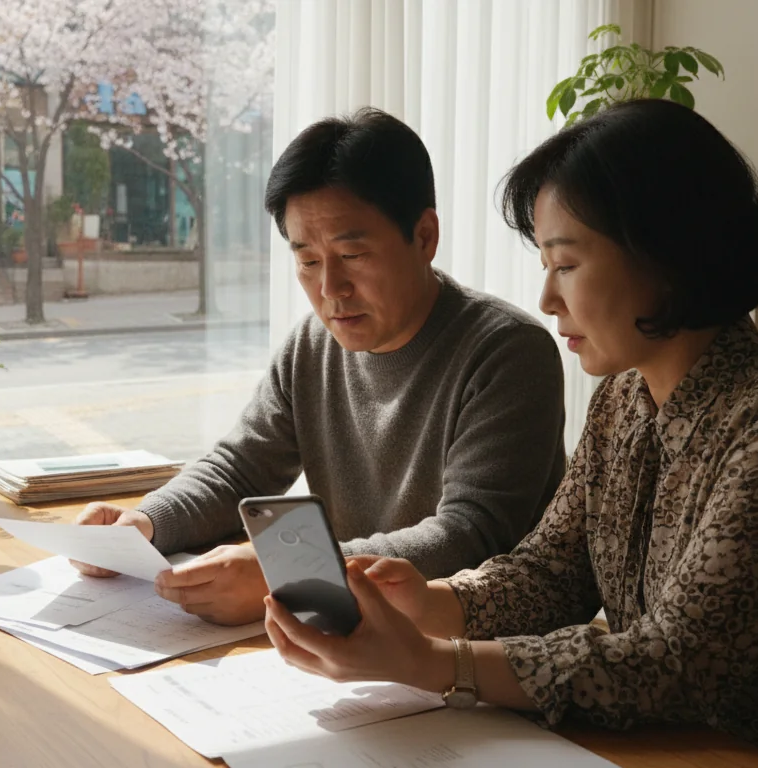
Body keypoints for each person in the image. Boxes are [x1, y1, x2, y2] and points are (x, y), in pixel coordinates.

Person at [260, 99, 758, 768]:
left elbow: (677, 663)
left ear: (665, 253)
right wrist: (432, 603)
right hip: (669, 748)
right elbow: (554, 573)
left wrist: (438, 662)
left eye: (568, 264)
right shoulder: (623, 399)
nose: (548, 299)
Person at [75, 108, 568, 626]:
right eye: (307, 261)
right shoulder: (313, 345)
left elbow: (469, 536)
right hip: (352, 637)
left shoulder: (507, 352)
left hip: (471, 656)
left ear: (424, 237)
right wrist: (145, 521)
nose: (330, 289)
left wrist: (290, 573)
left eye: (352, 255)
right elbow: (239, 468)